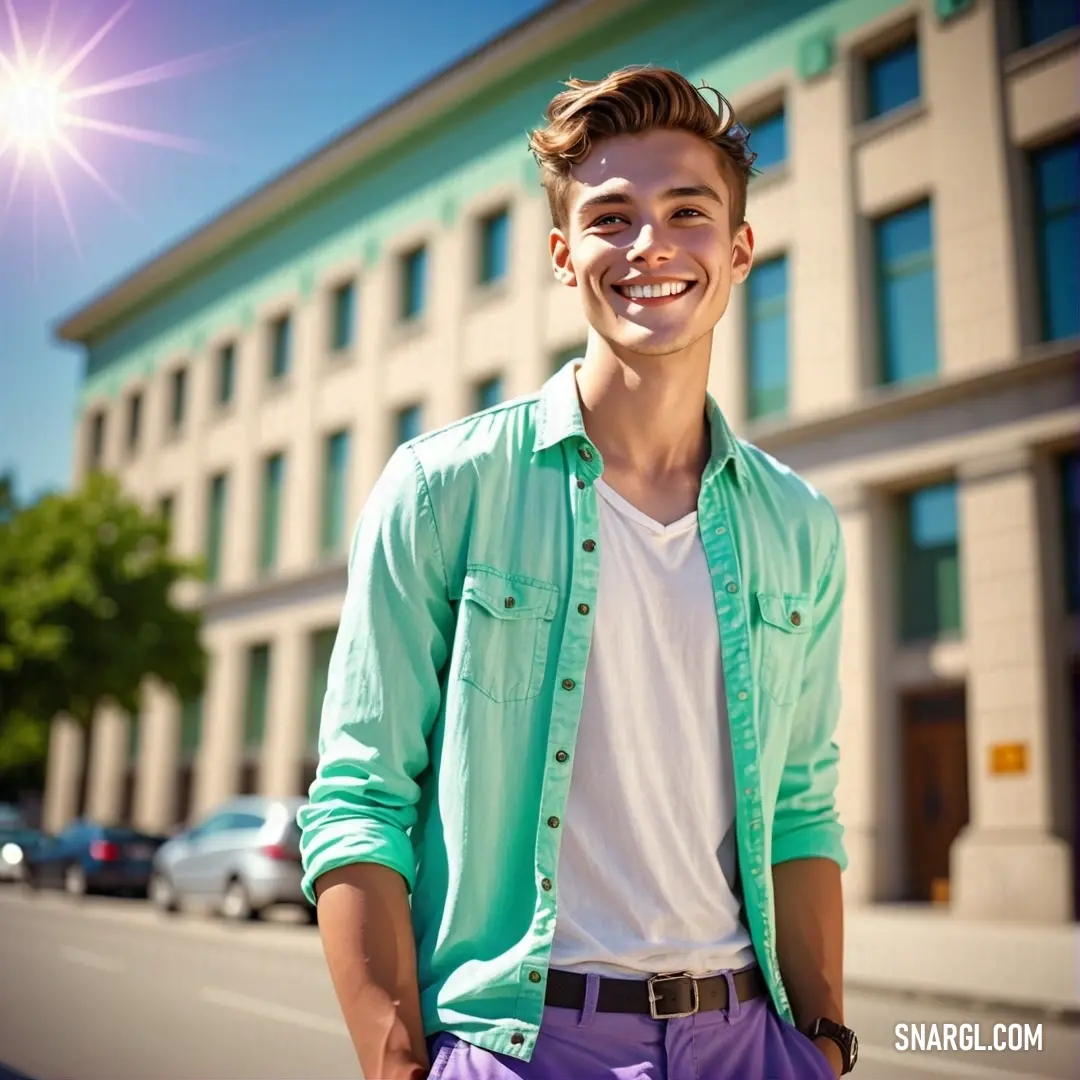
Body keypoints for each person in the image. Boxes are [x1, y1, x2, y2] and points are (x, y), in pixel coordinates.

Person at [297, 65, 859, 1080]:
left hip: (746, 1042)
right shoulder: (442, 488)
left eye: (688, 213)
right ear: (564, 255)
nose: (650, 245)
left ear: (738, 250)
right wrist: (396, 1064)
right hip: (517, 1045)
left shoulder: (801, 525)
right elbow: (359, 797)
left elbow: (805, 806)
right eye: (611, 217)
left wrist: (821, 1043)